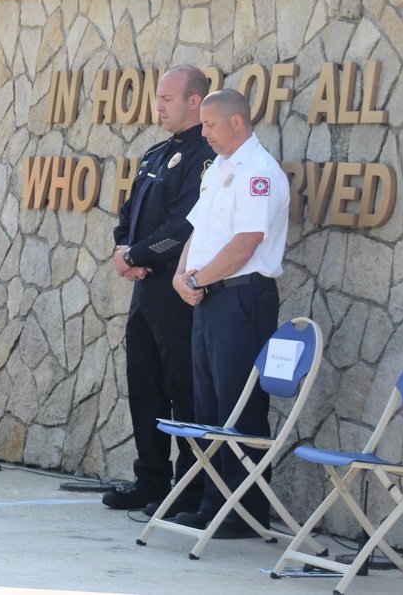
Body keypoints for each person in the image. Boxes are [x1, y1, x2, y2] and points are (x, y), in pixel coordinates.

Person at [171, 88, 290, 538]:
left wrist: (197, 281)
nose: (203, 133)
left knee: (240, 408)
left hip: (241, 299)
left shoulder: (257, 172)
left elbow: (245, 244)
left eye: (210, 125)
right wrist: (182, 276)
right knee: (209, 407)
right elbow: (199, 232)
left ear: (237, 123)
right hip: (210, 297)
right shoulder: (220, 168)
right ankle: (214, 503)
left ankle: (244, 512)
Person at [103, 66, 215, 517]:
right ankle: (151, 479)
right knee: (144, 386)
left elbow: (187, 223)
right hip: (145, 292)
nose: (159, 105)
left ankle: (187, 490)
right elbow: (129, 213)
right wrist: (123, 248)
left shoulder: (204, 156)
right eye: (159, 98)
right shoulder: (155, 153)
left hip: (177, 292)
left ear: (195, 102)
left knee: (181, 389)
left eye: (168, 98)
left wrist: (137, 256)